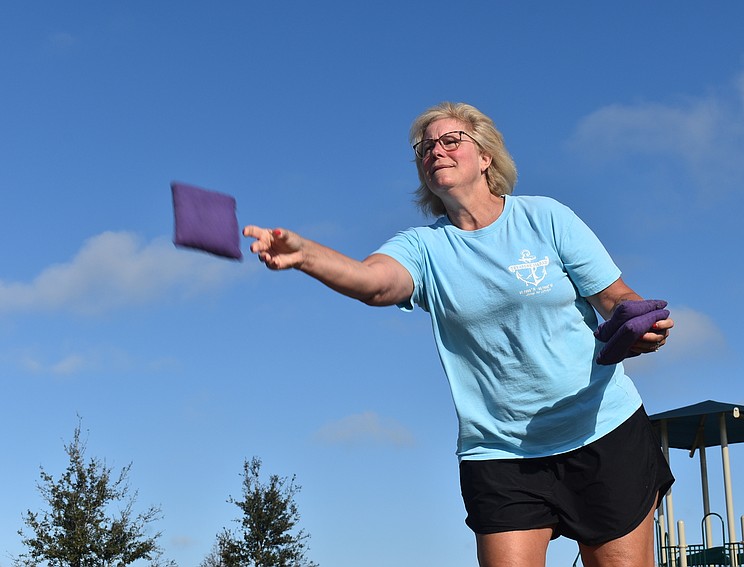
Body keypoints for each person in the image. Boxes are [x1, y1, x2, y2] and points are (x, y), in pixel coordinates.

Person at [243, 102, 675, 567]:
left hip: (601, 432)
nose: (435, 152)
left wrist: (638, 326)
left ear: (486, 156)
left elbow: (615, 298)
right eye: (425, 147)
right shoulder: (424, 247)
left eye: (451, 141)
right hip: (500, 451)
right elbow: (374, 282)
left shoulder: (546, 218)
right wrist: (304, 253)